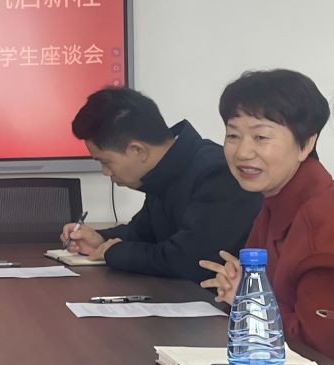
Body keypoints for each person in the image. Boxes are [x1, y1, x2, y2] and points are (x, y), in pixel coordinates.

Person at [200, 68, 334, 365]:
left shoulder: (322, 224)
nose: (243, 152)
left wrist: (247, 304)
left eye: (261, 137)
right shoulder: (279, 199)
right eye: (233, 135)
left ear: (306, 144)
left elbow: (325, 348)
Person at [59, 86, 260, 279]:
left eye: (105, 161)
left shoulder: (217, 174)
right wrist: (99, 239)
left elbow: (189, 260)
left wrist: (113, 252)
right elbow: (142, 233)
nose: (105, 172)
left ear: (138, 150)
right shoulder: (165, 171)